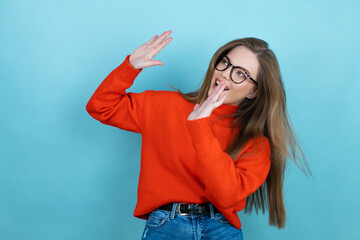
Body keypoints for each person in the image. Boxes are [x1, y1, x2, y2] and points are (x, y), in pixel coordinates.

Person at [86, 30, 311, 240]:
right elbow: (100, 107)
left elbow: (226, 196)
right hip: (166, 226)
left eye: (240, 73)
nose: (225, 74)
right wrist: (130, 67)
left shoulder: (256, 144)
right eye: (225, 63)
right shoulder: (165, 105)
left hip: (221, 229)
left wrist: (200, 127)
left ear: (254, 91)